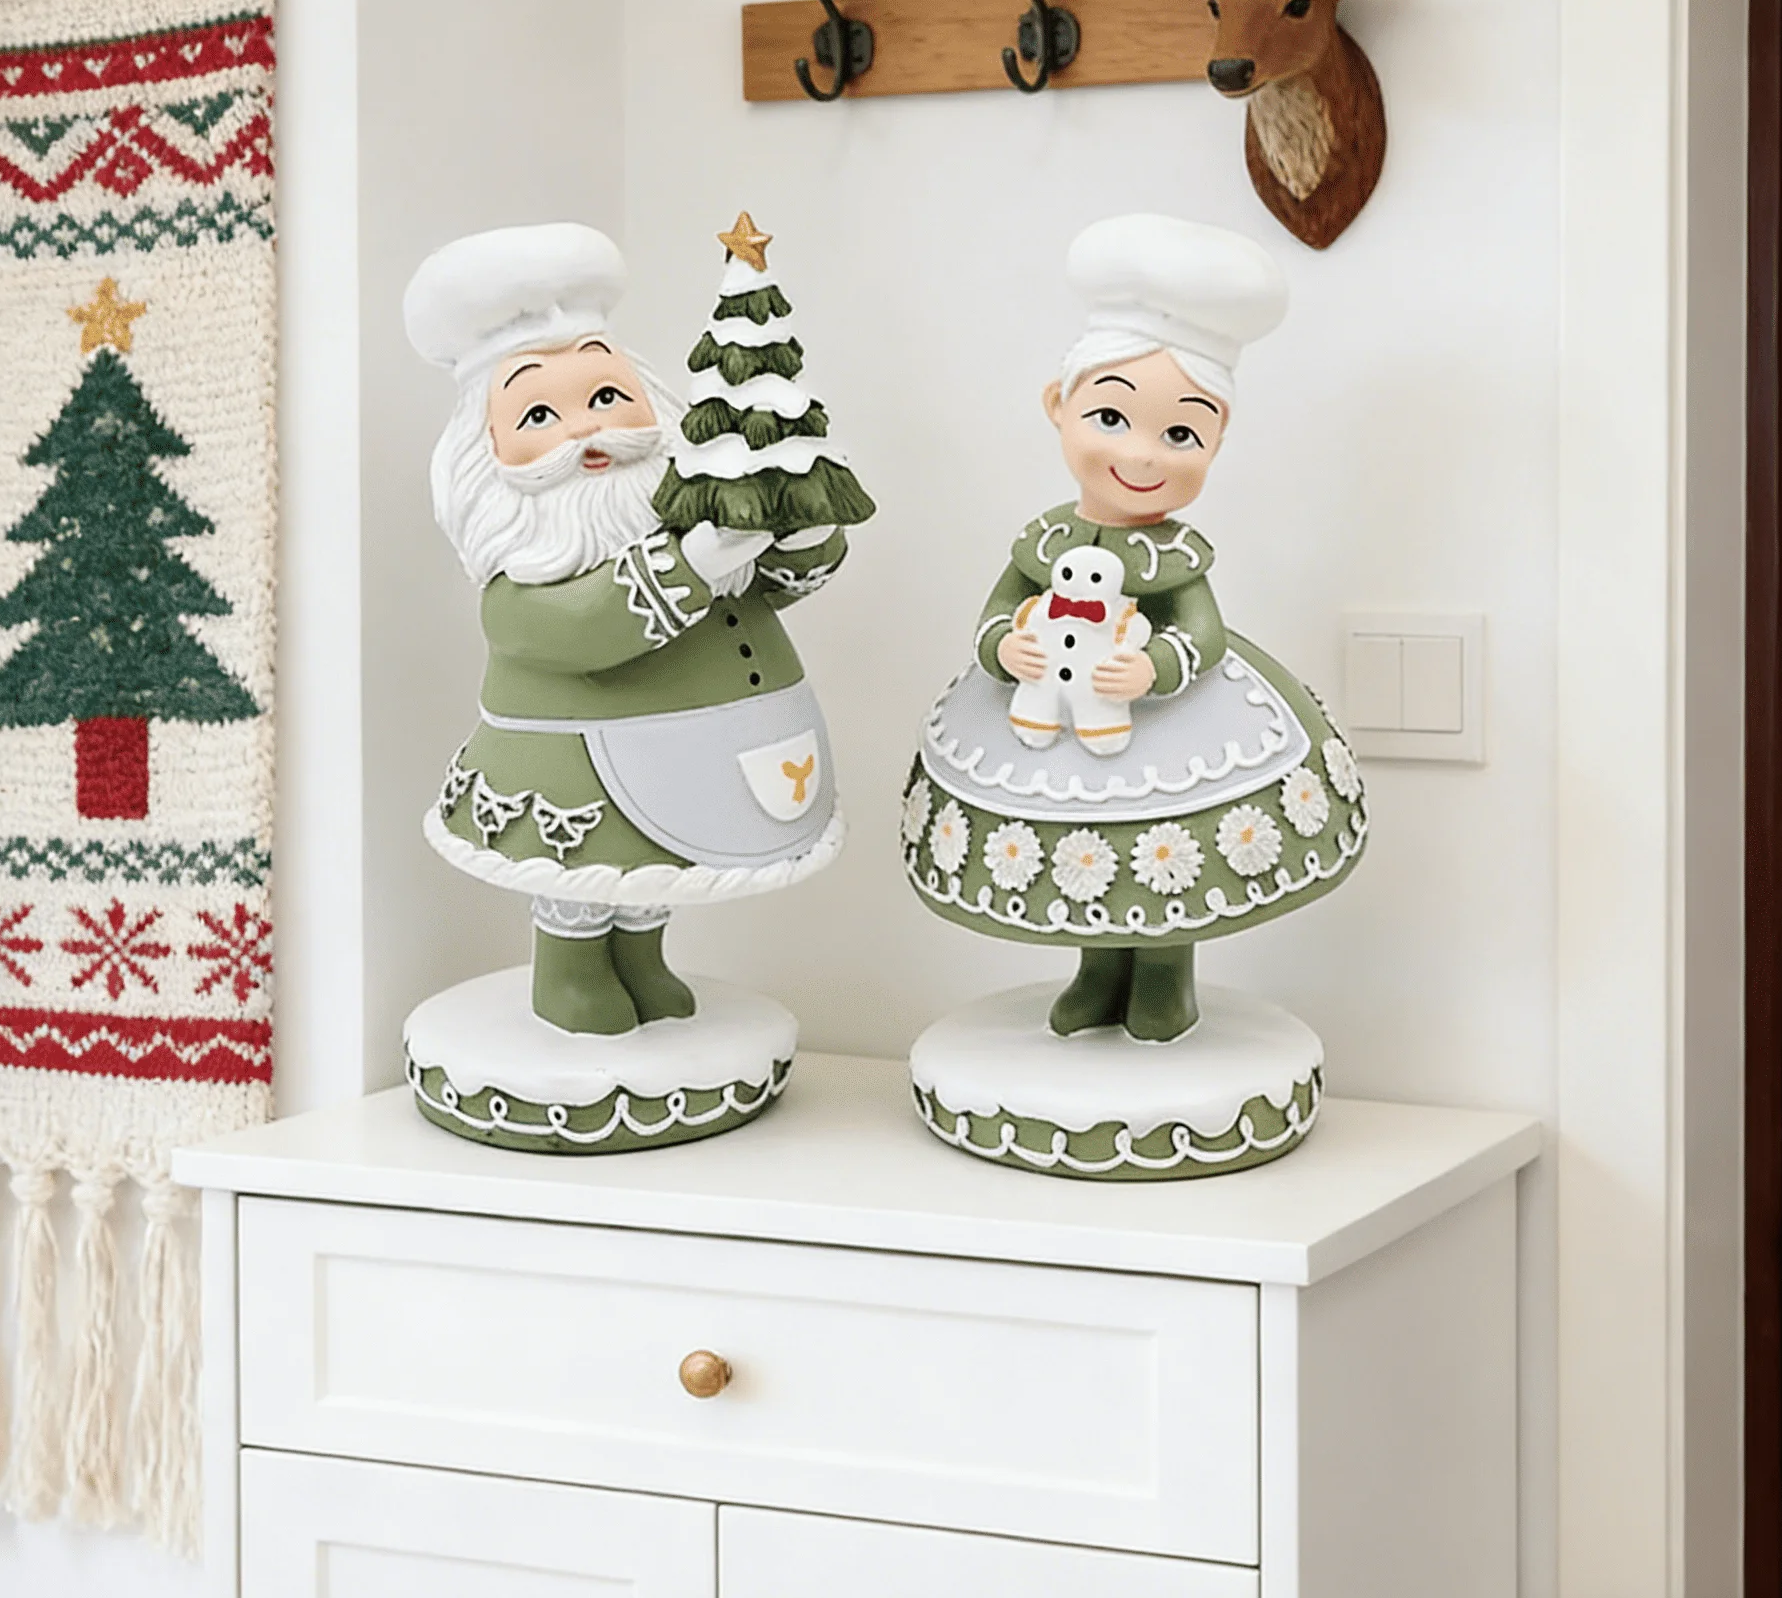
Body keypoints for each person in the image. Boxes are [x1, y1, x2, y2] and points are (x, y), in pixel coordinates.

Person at [901, 214, 1366, 1043]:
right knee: (1093, 858)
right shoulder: (1046, 544)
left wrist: (1158, 664)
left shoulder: (1175, 557)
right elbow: (999, 609)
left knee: (1160, 852)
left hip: (1168, 722)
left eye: (1181, 432)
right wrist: (1005, 645)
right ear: (1059, 406)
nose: (1144, 454)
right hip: (1047, 713)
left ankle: (1162, 978)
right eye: (1112, 418)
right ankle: (1097, 972)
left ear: (1217, 440)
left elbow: (1202, 631)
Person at [406, 222, 852, 1036]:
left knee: (651, 880)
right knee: (584, 881)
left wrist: (798, 535)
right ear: (485, 449)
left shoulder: (690, 522)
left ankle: (643, 962)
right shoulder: (518, 591)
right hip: (580, 773)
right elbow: (581, 628)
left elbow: (761, 595)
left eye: (608, 397)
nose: (587, 429)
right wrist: (691, 565)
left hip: (705, 757)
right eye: (540, 412)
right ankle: (571, 975)